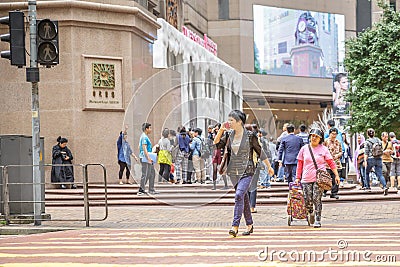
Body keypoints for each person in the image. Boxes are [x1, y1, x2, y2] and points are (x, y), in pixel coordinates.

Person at [214, 110, 274, 237]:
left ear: (239, 122)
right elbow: (216, 144)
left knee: (239, 195)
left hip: (247, 171)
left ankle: (234, 226)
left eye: (231, 120)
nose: (229, 122)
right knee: (243, 198)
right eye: (228, 120)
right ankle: (250, 225)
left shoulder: (250, 135)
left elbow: (260, 151)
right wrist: (220, 130)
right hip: (233, 172)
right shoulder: (229, 135)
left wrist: (269, 167)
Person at [295, 128, 340, 228]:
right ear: (309, 137)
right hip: (306, 178)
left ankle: (318, 219)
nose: (314, 138)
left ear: (320, 139)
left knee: (317, 198)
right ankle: (310, 211)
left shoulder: (324, 149)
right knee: (307, 199)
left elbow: (331, 163)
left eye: (317, 136)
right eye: (312, 136)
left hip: (319, 179)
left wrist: (336, 175)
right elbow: (300, 164)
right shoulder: (304, 149)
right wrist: (297, 177)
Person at [364, 128, 389, 195]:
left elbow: (366, 152)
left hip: (370, 158)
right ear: (374, 133)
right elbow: (381, 149)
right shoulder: (378, 140)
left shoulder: (367, 141)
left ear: (367, 134)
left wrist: (365, 161)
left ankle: (367, 187)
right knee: (380, 174)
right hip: (379, 158)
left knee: (366, 172)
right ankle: (384, 186)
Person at [137, 122, 158, 195]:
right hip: (146, 158)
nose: (151, 129)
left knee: (152, 173)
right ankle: (141, 189)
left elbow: (139, 147)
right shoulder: (144, 137)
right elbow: (144, 148)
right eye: (150, 128)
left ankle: (151, 189)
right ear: (146, 129)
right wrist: (148, 158)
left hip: (146, 157)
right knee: (145, 173)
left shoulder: (144, 136)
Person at [323, 128, 342, 199]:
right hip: (327, 164)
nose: (334, 135)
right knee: (326, 179)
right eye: (332, 134)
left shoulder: (338, 142)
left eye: (335, 134)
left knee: (336, 179)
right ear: (329, 134)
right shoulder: (325, 141)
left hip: (336, 163)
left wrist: (338, 155)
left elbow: (341, 151)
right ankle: (324, 192)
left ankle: (334, 193)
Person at [210, 123, 229, 190]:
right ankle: (214, 185)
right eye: (216, 129)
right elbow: (211, 141)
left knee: (222, 169)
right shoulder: (214, 135)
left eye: (218, 129)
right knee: (214, 169)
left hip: (221, 152)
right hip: (215, 153)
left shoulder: (224, 135)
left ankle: (226, 184)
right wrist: (212, 132)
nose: (217, 130)